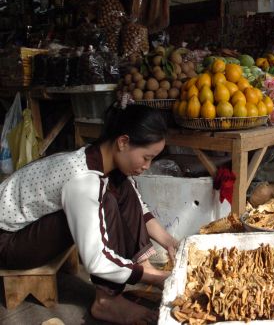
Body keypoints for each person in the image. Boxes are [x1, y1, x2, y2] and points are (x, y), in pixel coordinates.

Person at [0, 104, 178, 324]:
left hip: (26, 230)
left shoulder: (98, 157)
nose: (147, 166)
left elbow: (138, 206)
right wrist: (156, 278)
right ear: (123, 142)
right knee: (104, 201)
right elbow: (95, 260)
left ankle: (143, 265)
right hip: (7, 241)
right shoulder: (82, 180)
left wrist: (169, 242)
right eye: (146, 157)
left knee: (122, 187)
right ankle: (106, 301)